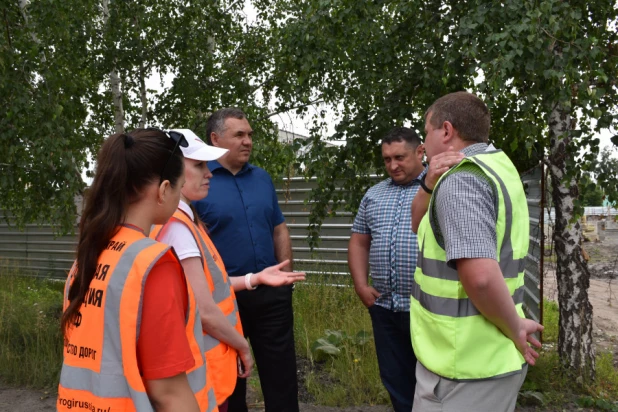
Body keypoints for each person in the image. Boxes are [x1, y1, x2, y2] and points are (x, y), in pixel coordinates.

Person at [58, 129, 216, 412]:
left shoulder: (86, 259)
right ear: (164, 189)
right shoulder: (153, 265)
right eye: (178, 189)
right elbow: (168, 393)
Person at [152, 129, 305, 412]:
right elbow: (205, 309)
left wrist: (256, 278)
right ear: (171, 173)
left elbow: (208, 284)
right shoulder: (177, 227)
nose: (207, 172)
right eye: (198, 166)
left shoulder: (185, 221)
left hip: (237, 325)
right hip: (210, 351)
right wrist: (241, 346)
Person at [410, 91, 544, 412]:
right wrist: (428, 183)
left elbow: (481, 279)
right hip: (478, 362)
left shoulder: (462, 181)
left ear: (445, 130)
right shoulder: (499, 167)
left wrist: (515, 328)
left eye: (425, 132)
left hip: (466, 368)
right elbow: (419, 226)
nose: (422, 144)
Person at [193, 108, 298, 412]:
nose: (248, 141)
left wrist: (285, 277)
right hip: (225, 302)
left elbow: (278, 227)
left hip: (271, 296)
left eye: (250, 134)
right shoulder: (201, 181)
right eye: (239, 134)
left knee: (282, 379)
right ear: (215, 138)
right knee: (230, 382)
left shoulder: (262, 179)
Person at [348, 127, 425, 412]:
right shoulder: (374, 194)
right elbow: (359, 242)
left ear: (420, 152)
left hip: (426, 307)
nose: (393, 165)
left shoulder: (438, 187)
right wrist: (360, 286)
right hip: (384, 307)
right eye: (386, 159)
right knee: (394, 378)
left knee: (432, 381)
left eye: (400, 157)